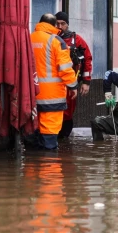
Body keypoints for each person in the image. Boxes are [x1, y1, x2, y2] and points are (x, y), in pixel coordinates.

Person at [27, 13, 78, 150]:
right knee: (49, 138)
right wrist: (73, 86)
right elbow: (65, 68)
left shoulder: (28, 38)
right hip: (52, 97)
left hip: (30, 95)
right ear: (54, 25)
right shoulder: (56, 41)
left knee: (32, 137)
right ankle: (49, 168)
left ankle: (31, 168)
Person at [54, 11, 93, 139]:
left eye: (63, 24)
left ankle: (64, 138)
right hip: (52, 84)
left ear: (67, 25)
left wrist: (86, 82)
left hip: (71, 83)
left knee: (68, 111)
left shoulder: (76, 40)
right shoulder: (49, 39)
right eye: (57, 23)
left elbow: (87, 59)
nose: (59, 26)